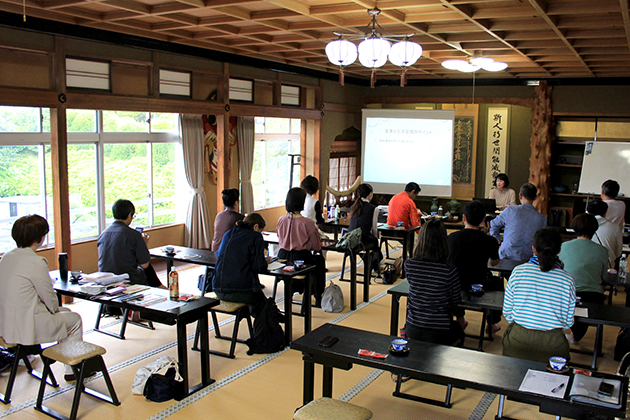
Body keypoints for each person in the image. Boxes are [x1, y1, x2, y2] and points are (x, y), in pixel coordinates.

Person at [0, 215, 84, 381]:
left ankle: (63, 357)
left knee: (65, 313)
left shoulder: (7, 257)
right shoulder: (36, 262)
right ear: (40, 237)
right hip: (27, 327)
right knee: (74, 320)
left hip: (5, 325)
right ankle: (72, 368)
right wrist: (54, 309)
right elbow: (49, 298)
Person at [502, 228, 576, 363]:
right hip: (553, 345)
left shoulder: (518, 272)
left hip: (518, 341)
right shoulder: (567, 279)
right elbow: (568, 321)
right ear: (559, 250)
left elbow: (507, 311)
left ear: (533, 249)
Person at [404, 219, 464, 346]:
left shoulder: (409, 265)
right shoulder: (449, 271)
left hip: (412, 327)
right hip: (439, 330)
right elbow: (455, 302)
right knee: (459, 331)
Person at [447, 201, 500, 332]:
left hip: (455, 284)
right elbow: (494, 262)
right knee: (498, 283)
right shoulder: (489, 241)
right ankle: (492, 323)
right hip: (479, 285)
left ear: (464, 218)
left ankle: (460, 319)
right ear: (483, 220)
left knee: (456, 280)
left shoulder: (451, 238)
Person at [558, 213, 607, 342]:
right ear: (595, 230)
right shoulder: (602, 250)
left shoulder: (563, 247)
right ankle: (574, 335)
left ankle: (568, 333)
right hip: (593, 297)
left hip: (565, 294)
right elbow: (604, 277)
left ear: (574, 228)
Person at [212, 213, 270, 316]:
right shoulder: (255, 236)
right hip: (239, 290)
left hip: (218, 288)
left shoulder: (229, 233)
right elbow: (259, 267)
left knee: (262, 303)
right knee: (263, 304)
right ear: (256, 226)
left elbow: (220, 255)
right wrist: (265, 262)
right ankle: (271, 322)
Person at [276, 187, 326, 306]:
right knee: (319, 261)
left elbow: (279, 237)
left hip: (282, 257)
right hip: (301, 258)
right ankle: (318, 294)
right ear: (302, 202)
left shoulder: (281, 220)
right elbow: (316, 246)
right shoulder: (307, 223)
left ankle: (295, 288)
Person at [98, 199, 164, 288]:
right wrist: (144, 243)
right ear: (129, 215)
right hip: (127, 279)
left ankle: (162, 288)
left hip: (105, 279)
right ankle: (162, 289)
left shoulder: (103, 234)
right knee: (148, 269)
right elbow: (144, 264)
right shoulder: (133, 234)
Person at [490, 183, 547, 261]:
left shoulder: (510, 210)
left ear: (520, 196)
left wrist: (498, 240)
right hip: (528, 259)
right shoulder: (542, 219)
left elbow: (493, 224)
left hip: (506, 256)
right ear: (535, 197)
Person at [349, 183, 382, 271]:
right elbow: (374, 228)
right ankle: (375, 263)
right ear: (370, 194)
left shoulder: (353, 206)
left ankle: (371, 261)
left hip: (350, 239)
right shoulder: (374, 208)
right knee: (374, 242)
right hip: (362, 238)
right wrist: (375, 238)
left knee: (371, 243)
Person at [588, 199, 623, 269]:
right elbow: (618, 253)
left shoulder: (582, 226)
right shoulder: (615, 228)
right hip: (607, 268)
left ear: (588, 212)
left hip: (586, 267)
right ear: (605, 212)